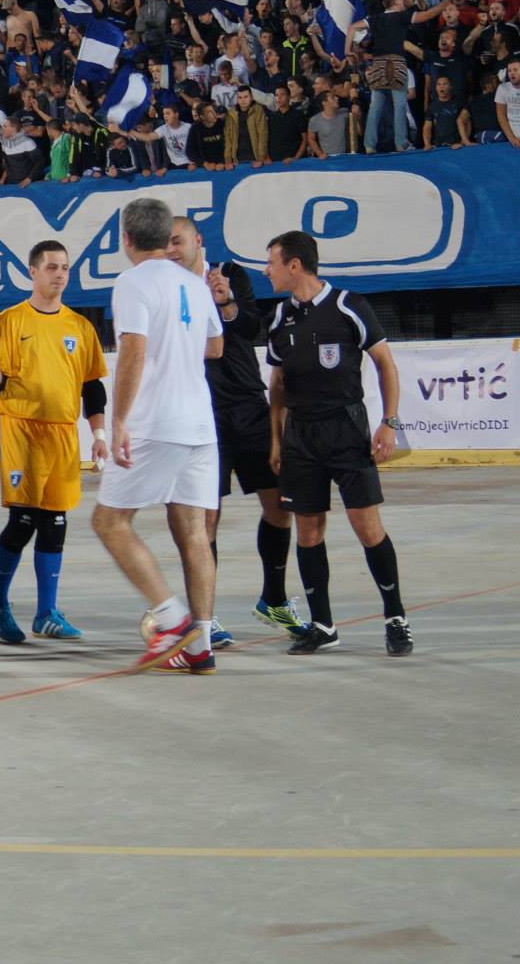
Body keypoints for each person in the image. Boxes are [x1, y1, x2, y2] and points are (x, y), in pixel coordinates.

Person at [91, 199, 227, 675]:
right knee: (194, 534)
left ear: (125, 239)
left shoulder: (132, 282)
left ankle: (171, 620)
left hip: (157, 422)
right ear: (165, 235)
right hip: (200, 426)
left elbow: (133, 350)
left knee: (110, 522)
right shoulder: (194, 283)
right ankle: (200, 647)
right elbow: (216, 346)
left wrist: (119, 421)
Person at [264, 231, 413, 656]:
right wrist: (277, 439)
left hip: (347, 430)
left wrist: (389, 423)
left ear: (295, 265)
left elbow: (385, 363)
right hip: (300, 436)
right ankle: (324, 625)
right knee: (308, 531)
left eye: (271, 261)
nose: (266, 269)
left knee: (367, 527)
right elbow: (277, 384)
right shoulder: (279, 318)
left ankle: (396, 617)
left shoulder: (349, 305)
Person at [167, 216, 300, 642]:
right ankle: (206, 614)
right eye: (166, 244)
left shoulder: (228, 272)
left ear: (197, 241)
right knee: (206, 519)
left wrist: (224, 300)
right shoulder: (166, 287)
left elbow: (251, 328)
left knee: (280, 507)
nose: (171, 250)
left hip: (248, 405)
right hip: (200, 414)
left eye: (177, 241)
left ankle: (274, 600)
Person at [0, 241, 109, 643]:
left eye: (65, 267)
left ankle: (46, 613)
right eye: (52, 266)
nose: (59, 274)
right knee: (22, 520)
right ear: (33, 271)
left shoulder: (79, 326)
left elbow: (93, 387)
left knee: (55, 523)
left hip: (63, 433)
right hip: (22, 427)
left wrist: (100, 434)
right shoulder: (10, 321)